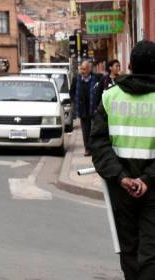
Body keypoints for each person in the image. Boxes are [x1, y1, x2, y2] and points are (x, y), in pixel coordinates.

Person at [90, 40, 155, 280]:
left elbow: (98, 143)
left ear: (128, 65)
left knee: (128, 249)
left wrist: (122, 177)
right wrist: (147, 179)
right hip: (153, 187)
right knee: (151, 251)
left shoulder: (110, 97)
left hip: (121, 188)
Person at [69, 60, 102, 156]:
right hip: (83, 109)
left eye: (84, 69)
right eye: (81, 69)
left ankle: (95, 148)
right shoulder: (76, 79)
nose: (82, 71)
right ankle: (87, 149)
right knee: (85, 131)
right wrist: (75, 101)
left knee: (95, 130)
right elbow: (72, 91)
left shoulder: (96, 78)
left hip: (94, 108)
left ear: (89, 69)